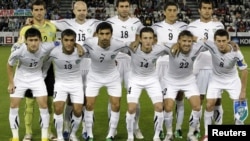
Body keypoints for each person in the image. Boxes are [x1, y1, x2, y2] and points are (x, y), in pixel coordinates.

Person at [49, 1, 100, 139]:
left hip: (89, 65)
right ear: (73, 11)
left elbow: (111, 28)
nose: (82, 12)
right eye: (79, 10)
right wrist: (31, 21)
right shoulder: (66, 23)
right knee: (70, 101)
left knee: (87, 100)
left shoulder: (95, 23)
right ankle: (66, 125)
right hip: (73, 65)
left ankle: (85, 128)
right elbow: (47, 23)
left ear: (87, 10)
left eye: (84, 10)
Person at [83, 22, 135, 141]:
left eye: (107, 34)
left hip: (112, 77)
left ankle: (111, 134)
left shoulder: (118, 44)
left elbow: (132, 47)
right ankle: (89, 134)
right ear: (97, 34)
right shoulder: (89, 42)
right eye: (102, 34)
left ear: (111, 34)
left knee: (116, 104)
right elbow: (80, 51)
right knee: (89, 104)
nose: (105, 37)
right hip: (94, 77)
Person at [7, 28, 60, 141]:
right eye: (30, 40)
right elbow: (9, 64)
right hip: (20, 79)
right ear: (26, 41)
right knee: (13, 106)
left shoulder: (46, 46)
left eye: (36, 40)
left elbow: (61, 42)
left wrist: (77, 45)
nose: (33, 43)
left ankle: (44, 137)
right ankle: (15, 137)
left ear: (40, 40)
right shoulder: (19, 49)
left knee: (44, 106)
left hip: (37, 78)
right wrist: (11, 83)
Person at [18, 1, 57, 140]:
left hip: (48, 68)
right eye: (36, 10)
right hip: (30, 70)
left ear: (45, 11)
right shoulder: (25, 30)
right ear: (32, 12)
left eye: (41, 9)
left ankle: (48, 131)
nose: (39, 12)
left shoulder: (52, 27)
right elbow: (19, 48)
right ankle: (28, 133)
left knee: (48, 102)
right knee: (29, 103)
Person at [106, 0, 144, 139]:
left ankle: (135, 127)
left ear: (130, 8)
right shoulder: (110, 22)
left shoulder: (137, 23)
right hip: (115, 63)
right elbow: (104, 41)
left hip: (131, 63)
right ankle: (112, 128)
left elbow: (141, 39)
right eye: (121, 6)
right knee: (113, 99)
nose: (124, 9)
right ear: (116, 8)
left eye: (126, 6)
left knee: (135, 98)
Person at [201, 29, 248, 141]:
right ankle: (208, 134)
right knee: (209, 105)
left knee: (240, 104)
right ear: (214, 41)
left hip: (232, 80)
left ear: (228, 40)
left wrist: (243, 91)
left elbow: (244, 70)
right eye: (218, 41)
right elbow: (197, 40)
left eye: (223, 41)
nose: (221, 44)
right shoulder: (211, 45)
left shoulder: (236, 52)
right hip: (216, 79)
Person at [187, 0, 225, 136]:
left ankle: (216, 131)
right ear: (199, 10)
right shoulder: (191, 27)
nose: (207, 11)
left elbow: (224, 43)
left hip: (216, 68)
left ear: (212, 10)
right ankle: (194, 130)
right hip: (199, 67)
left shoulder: (218, 25)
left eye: (209, 8)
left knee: (217, 100)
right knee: (199, 100)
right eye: (204, 8)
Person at [152, 2, 187, 139]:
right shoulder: (156, 27)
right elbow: (151, 43)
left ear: (177, 12)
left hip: (178, 65)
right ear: (164, 12)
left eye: (174, 10)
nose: (172, 13)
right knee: (161, 100)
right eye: (169, 10)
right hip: (162, 65)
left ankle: (177, 128)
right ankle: (162, 129)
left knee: (179, 97)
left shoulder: (184, 26)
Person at [162, 30, 205, 141]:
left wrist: (197, 38)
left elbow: (211, 43)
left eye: (189, 41)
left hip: (188, 81)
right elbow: (156, 45)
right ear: (179, 41)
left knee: (197, 107)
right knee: (168, 107)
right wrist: (173, 45)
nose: (186, 43)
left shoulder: (197, 48)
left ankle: (190, 134)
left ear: (192, 42)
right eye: (184, 41)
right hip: (171, 81)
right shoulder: (171, 48)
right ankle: (169, 134)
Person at [125, 27, 165, 141]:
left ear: (154, 39)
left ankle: (156, 136)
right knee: (132, 108)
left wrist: (176, 45)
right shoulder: (133, 47)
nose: (148, 41)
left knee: (159, 107)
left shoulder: (159, 48)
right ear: (140, 39)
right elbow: (115, 44)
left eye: (150, 38)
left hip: (152, 80)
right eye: (145, 38)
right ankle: (130, 136)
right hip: (135, 80)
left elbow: (175, 46)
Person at [50, 29, 85, 141]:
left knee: (78, 110)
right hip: (60, 84)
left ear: (75, 41)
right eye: (66, 40)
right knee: (58, 108)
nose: (69, 43)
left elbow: (97, 53)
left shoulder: (81, 52)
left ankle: (73, 135)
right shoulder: (54, 52)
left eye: (72, 40)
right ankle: (60, 137)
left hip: (76, 84)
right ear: (61, 40)